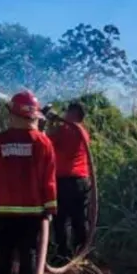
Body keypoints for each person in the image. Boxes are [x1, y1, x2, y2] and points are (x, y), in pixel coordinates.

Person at [0, 90, 57, 274]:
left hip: (5, 212)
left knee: (3, 253)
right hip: (33, 212)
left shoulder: (0, 141)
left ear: (13, 116)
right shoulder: (43, 143)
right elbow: (49, 180)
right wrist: (50, 208)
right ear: (34, 117)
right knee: (28, 253)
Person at [47, 101, 91, 265]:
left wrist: (50, 121)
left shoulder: (66, 129)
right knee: (79, 218)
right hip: (82, 181)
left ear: (73, 114)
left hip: (66, 181)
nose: (64, 114)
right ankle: (81, 253)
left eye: (67, 112)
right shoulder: (83, 132)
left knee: (61, 219)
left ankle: (63, 255)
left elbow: (47, 140)